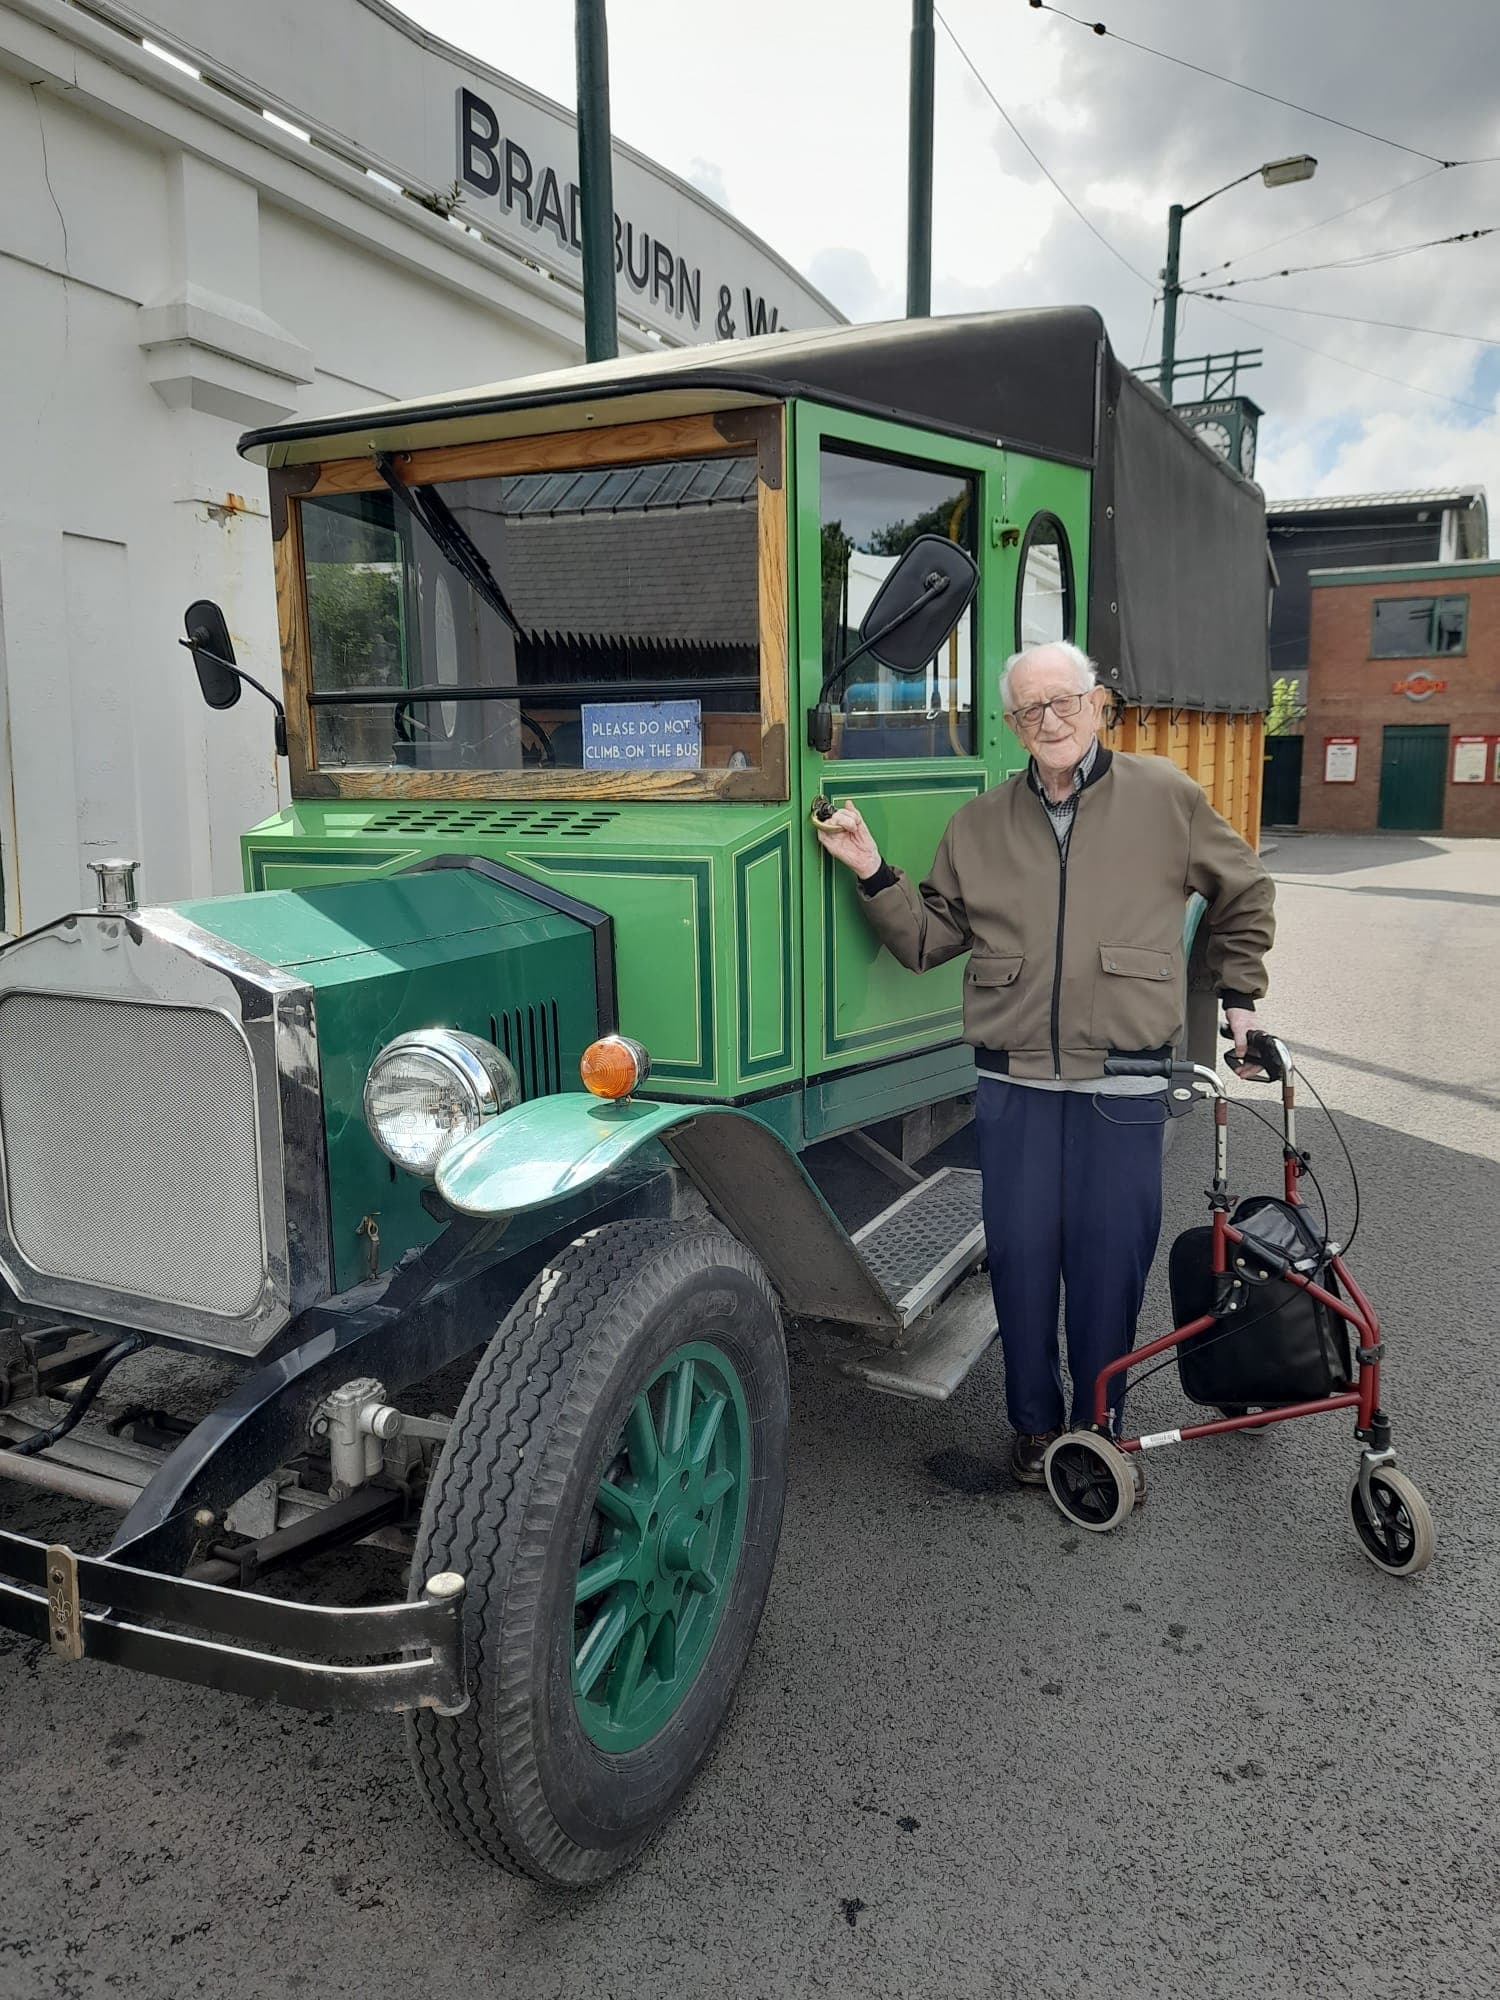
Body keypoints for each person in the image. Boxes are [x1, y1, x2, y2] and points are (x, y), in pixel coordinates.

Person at [815, 640, 1276, 1486]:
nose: (1050, 721)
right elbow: (928, 940)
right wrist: (872, 869)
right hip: (1013, 1082)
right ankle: (1032, 1431)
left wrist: (1239, 999)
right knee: (1024, 1260)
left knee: (1109, 1260)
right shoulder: (980, 824)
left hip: (1124, 1081)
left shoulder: (1165, 798)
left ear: (1097, 703)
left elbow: (1243, 890)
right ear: (1011, 725)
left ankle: (1097, 1427)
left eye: (1064, 702)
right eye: (1031, 710)